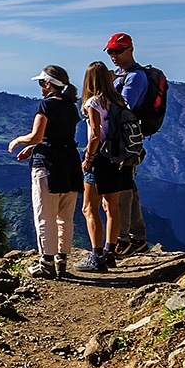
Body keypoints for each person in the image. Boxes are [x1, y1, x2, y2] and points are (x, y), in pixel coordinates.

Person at [8, 65, 81, 278]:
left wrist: (20, 141)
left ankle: (46, 263)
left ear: (49, 84)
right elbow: (59, 137)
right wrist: (33, 148)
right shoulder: (70, 106)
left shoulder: (46, 105)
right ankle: (61, 261)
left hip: (48, 165)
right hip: (70, 163)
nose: (40, 87)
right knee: (65, 216)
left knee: (45, 214)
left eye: (41, 83)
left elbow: (37, 136)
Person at [75, 61, 134, 273]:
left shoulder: (93, 102)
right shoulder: (119, 100)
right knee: (112, 207)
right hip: (117, 158)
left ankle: (96, 257)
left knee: (89, 208)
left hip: (99, 158)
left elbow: (94, 135)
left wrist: (88, 159)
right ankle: (110, 253)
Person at [106, 33, 149, 256]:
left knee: (121, 188)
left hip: (124, 143)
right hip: (120, 141)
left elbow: (123, 107)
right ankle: (137, 238)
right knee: (128, 186)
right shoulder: (121, 76)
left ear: (130, 49)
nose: (113, 55)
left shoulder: (135, 78)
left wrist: (104, 88)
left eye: (118, 50)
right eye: (110, 51)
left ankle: (122, 240)